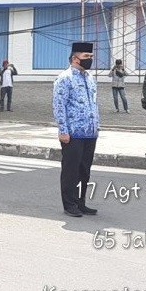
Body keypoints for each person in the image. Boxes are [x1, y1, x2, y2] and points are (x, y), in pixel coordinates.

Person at [53, 42, 100, 218]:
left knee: (84, 171)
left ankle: (81, 202)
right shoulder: (64, 78)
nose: (90, 60)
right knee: (71, 170)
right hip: (73, 133)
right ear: (75, 58)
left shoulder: (89, 78)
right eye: (86, 57)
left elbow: (94, 104)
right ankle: (69, 204)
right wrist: (63, 130)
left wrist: (97, 126)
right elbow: (59, 106)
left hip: (90, 132)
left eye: (91, 57)